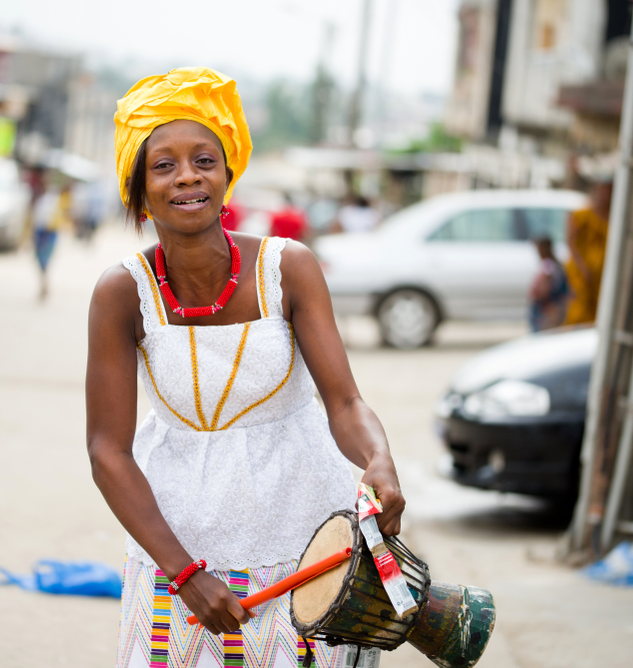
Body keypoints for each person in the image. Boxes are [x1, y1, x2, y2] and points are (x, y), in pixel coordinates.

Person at [87, 67, 405, 668]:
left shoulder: (290, 268)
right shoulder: (121, 293)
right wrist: (184, 575)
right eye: (164, 165)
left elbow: (344, 403)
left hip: (306, 543)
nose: (187, 176)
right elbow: (108, 450)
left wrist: (378, 459)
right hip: (176, 552)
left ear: (228, 174)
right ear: (138, 190)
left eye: (204, 159)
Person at [563, 179, 612, 325]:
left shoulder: (616, 218)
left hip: (604, 279)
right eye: (603, 190)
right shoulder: (582, 215)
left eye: (609, 191)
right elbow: (571, 243)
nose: (606, 195)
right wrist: (583, 268)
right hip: (584, 278)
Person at [31, 179, 72, 300]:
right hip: (39, 233)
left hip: (49, 233)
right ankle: (43, 283)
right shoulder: (38, 200)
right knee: (39, 259)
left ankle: (44, 284)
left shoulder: (54, 199)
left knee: (45, 259)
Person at [528, 237, 569, 332]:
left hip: (544, 309)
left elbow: (544, 288)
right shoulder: (556, 264)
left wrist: (538, 294)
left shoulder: (547, 265)